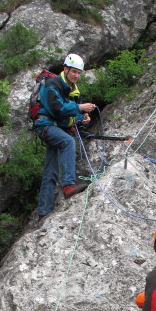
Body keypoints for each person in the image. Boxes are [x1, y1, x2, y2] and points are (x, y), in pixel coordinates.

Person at [33, 53, 96, 223]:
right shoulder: (52, 85)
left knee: (51, 169)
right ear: (65, 69)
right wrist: (79, 107)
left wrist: (81, 118)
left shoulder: (71, 91)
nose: (76, 75)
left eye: (79, 73)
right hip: (45, 125)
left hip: (54, 126)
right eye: (73, 71)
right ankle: (68, 184)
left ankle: (43, 212)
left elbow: (66, 117)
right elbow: (58, 108)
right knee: (68, 142)